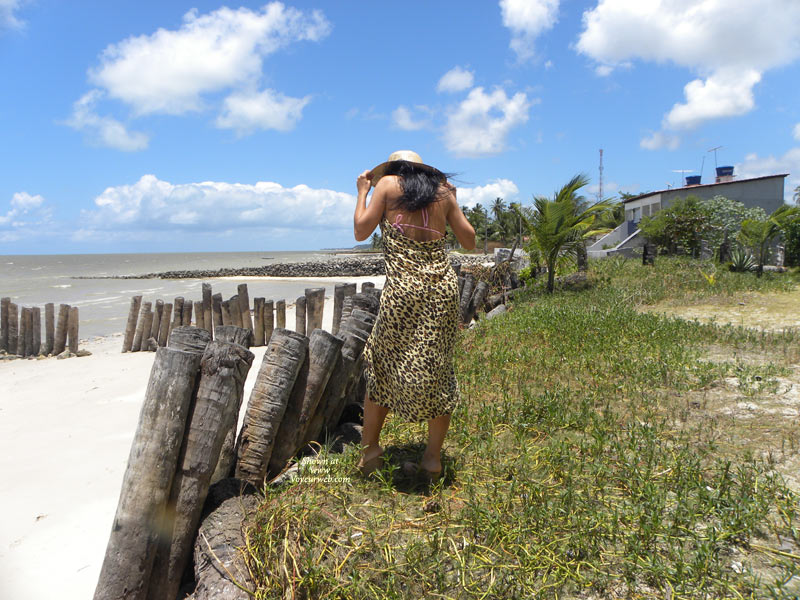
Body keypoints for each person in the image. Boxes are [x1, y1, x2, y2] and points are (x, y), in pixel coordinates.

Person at [352, 150, 475, 480]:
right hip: (443, 289)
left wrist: (363, 192)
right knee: (438, 369)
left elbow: (361, 231)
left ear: (393, 169)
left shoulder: (387, 185)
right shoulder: (443, 192)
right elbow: (469, 240)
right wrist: (453, 199)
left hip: (403, 291)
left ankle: (370, 452)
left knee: (382, 365)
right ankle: (432, 460)